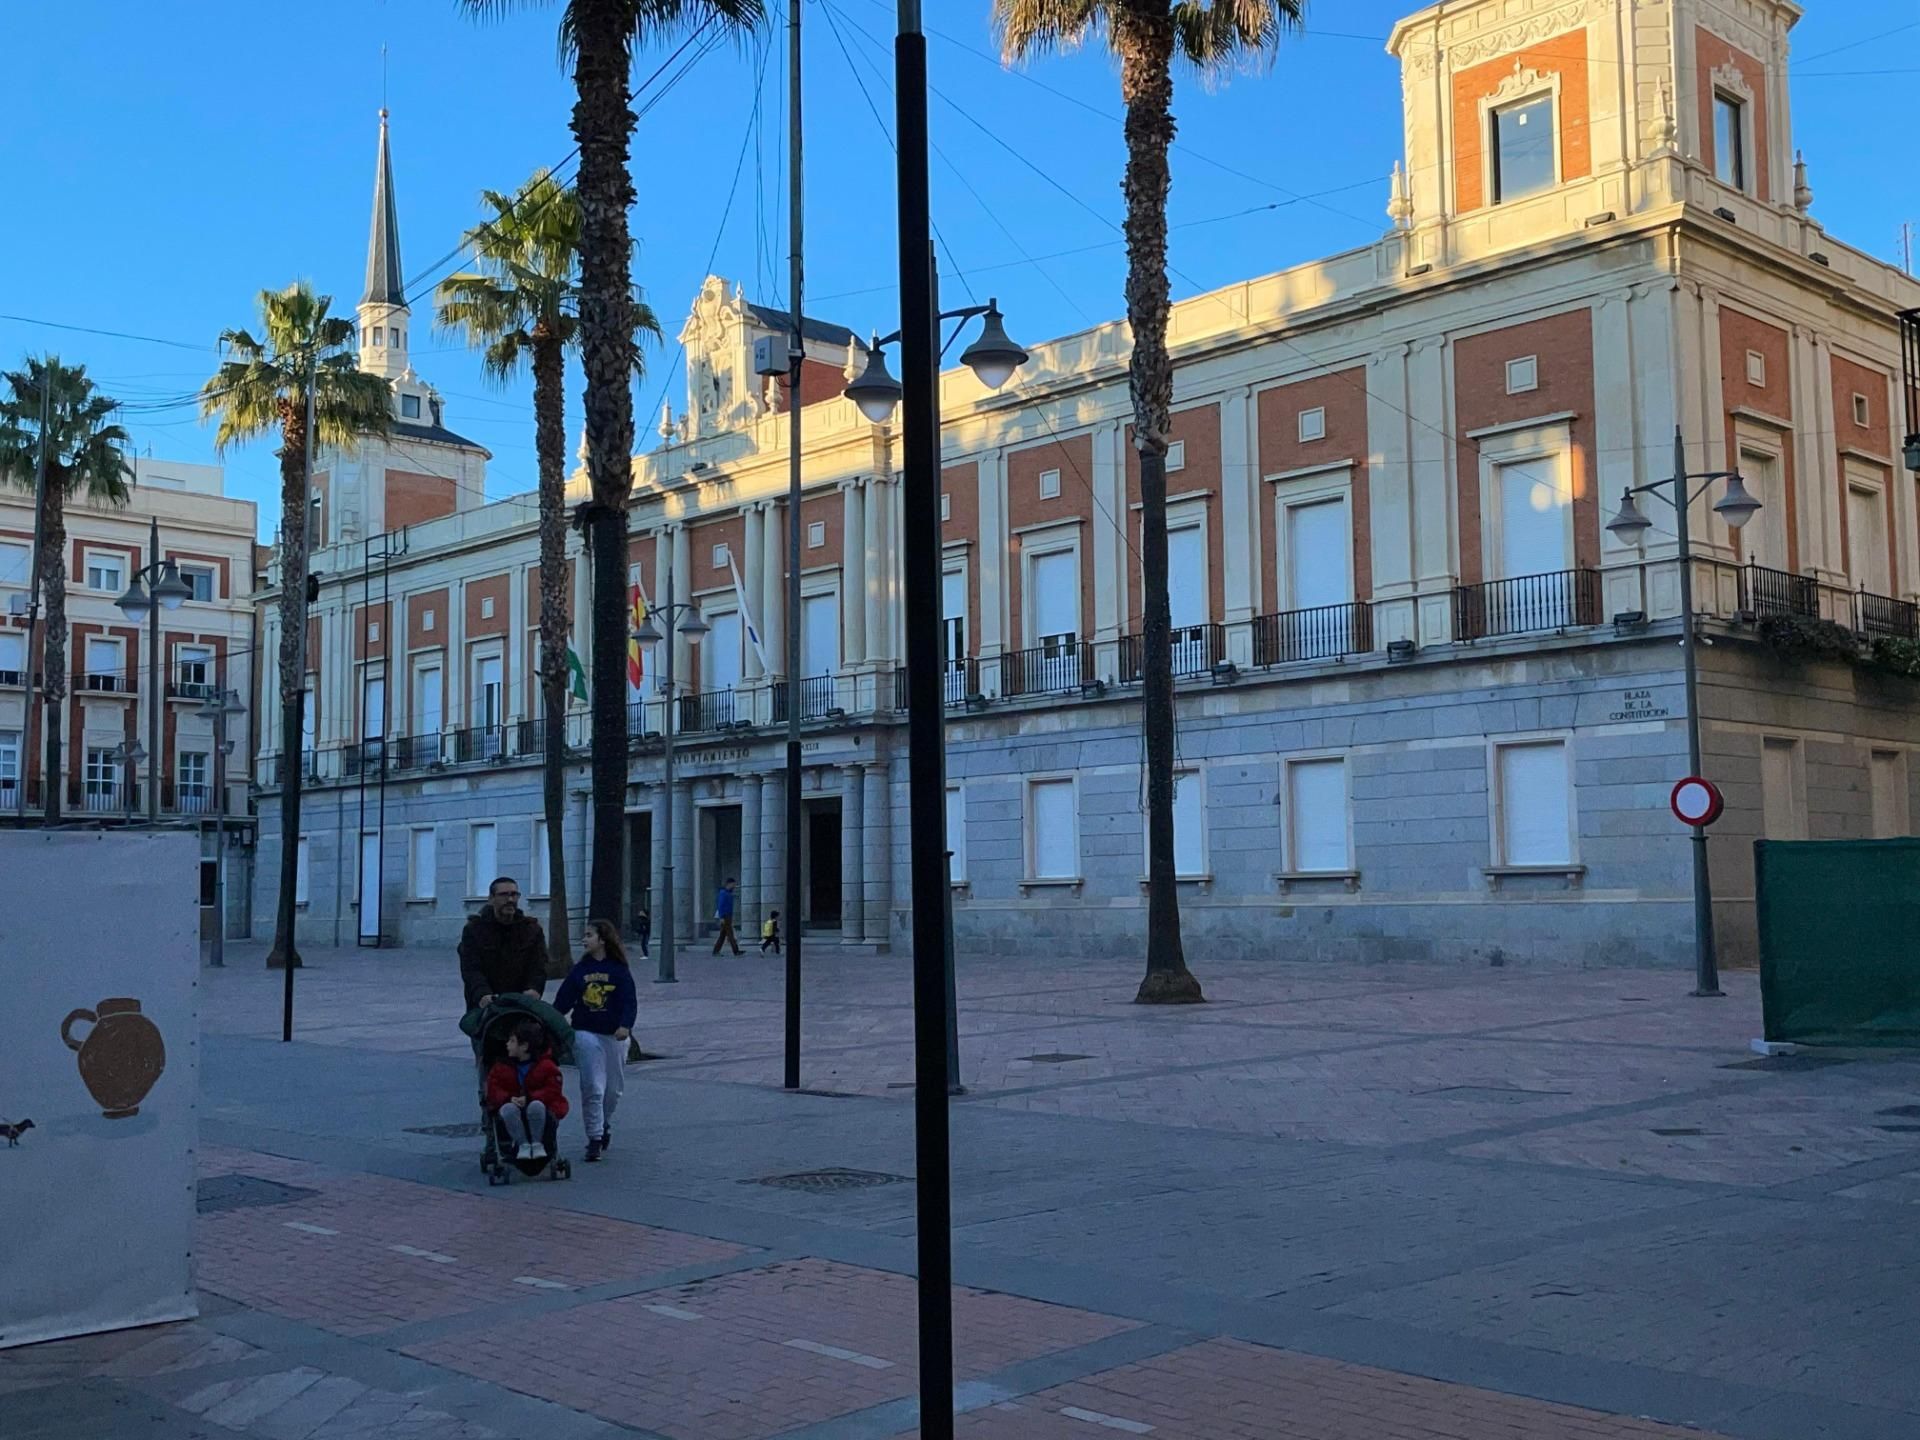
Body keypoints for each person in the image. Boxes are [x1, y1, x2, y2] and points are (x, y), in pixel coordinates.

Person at [553, 919, 637, 1163]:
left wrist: (625, 1025)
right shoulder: (580, 970)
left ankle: (604, 1123)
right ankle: (595, 1138)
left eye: (589, 935)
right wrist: (550, 1020)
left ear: (602, 939)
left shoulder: (618, 970)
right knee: (593, 1086)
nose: (584, 939)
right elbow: (563, 1001)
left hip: (614, 1036)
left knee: (613, 1091)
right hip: (585, 1033)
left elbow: (629, 1001)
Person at [459, 877, 549, 1011]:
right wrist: (482, 994)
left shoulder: (531, 929)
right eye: (504, 895)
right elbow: (471, 968)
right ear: (491, 899)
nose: (510, 900)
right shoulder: (474, 930)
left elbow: (539, 965)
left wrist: (534, 989)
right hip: (486, 1004)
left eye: (514, 894)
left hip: (522, 1003)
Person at [485, 1019, 569, 1164]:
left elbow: (552, 1090)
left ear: (524, 1046)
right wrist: (509, 1098)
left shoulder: (546, 1066)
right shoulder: (501, 1067)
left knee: (536, 1106)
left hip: (541, 1106)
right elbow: (494, 1089)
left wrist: (530, 1097)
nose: (507, 1044)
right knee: (507, 1109)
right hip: (512, 1103)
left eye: (512, 1041)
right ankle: (522, 1143)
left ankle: (537, 1143)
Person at [712, 878, 743, 956]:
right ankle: (736, 951)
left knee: (723, 935)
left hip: (728, 916)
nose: (734, 886)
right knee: (730, 934)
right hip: (725, 916)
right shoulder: (723, 893)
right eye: (733, 884)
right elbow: (720, 905)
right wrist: (721, 917)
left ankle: (716, 951)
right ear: (729, 884)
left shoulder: (729, 893)